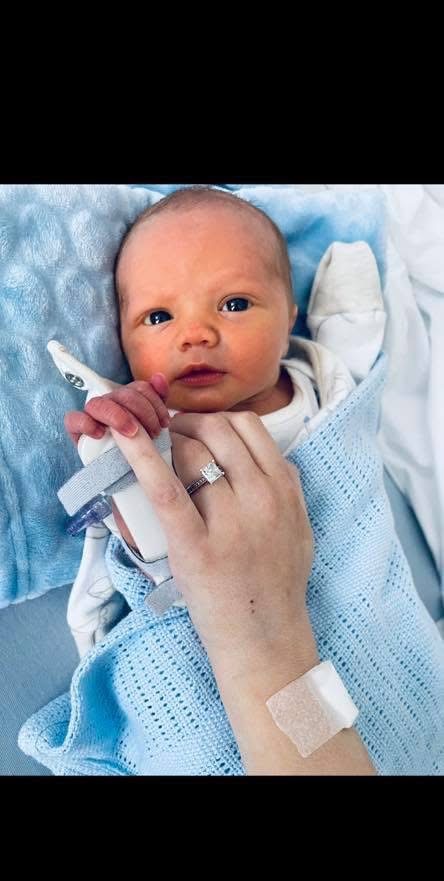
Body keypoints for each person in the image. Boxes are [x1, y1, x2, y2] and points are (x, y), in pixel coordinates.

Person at [18, 187, 444, 775]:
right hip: (223, 644)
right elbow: (153, 555)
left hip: (368, 616)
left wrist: (351, 299)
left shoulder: (325, 383)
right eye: (159, 317)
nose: (195, 333)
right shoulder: (159, 436)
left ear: (290, 316)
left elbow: (356, 346)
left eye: (235, 304)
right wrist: (121, 455)